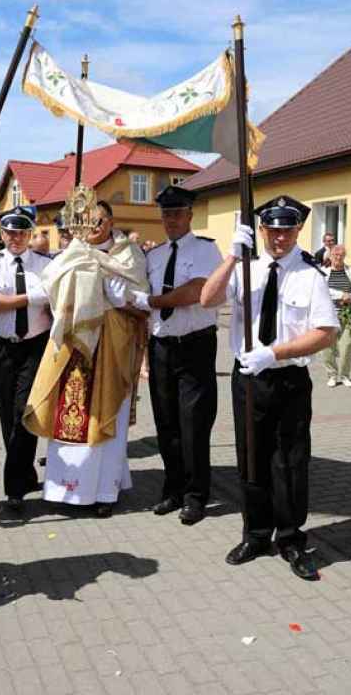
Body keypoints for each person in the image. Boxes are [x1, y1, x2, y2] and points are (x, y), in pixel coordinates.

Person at [200, 196, 337, 580]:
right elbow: (206, 299)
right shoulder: (245, 269)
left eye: (286, 230)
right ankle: (256, 534)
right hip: (248, 379)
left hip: (289, 380)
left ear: (297, 231)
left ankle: (292, 539)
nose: (279, 237)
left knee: (290, 462)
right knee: (252, 458)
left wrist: (275, 353)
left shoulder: (310, 275)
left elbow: (325, 334)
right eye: (272, 230)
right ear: (260, 231)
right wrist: (230, 257)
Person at [23, 200, 149, 518]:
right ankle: (64, 489)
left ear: (110, 221)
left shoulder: (128, 255)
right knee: (70, 415)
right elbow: (50, 285)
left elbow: (142, 303)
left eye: (100, 220)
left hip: (112, 346)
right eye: (88, 221)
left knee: (107, 419)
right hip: (75, 345)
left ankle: (105, 491)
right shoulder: (73, 252)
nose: (94, 227)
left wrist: (117, 297)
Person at [128, 186, 221, 524]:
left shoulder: (207, 250)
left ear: (190, 215)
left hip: (194, 344)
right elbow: (137, 300)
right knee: (166, 422)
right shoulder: (154, 256)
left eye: (177, 213)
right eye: (166, 213)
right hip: (162, 346)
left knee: (194, 423)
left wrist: (153, 302)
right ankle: (173, 489)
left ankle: (197, 495)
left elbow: (196, 291)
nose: (171, 219)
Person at [0, 206, 53, 514]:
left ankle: (14, 490)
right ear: (2, 234)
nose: (16, 238)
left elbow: (57, 299)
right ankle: (26, 473)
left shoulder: (46, 264)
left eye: (22, 233)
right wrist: (31, 298)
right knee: (8, 415)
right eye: (10, 233)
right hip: (2, 347)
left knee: (23, 412)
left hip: (35, 346)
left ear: (30, 234)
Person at [322, 245, 351, 387]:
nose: (338, 257)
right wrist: (341, 295)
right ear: (330, 256)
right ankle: (332, 375)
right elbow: (323, 291)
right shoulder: (323, 272)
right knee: (327, 347)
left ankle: (344, 375)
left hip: (348, 313)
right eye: (335, 254)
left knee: (347, 345)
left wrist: (350, 297)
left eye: (341, 255)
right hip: (328, 315)